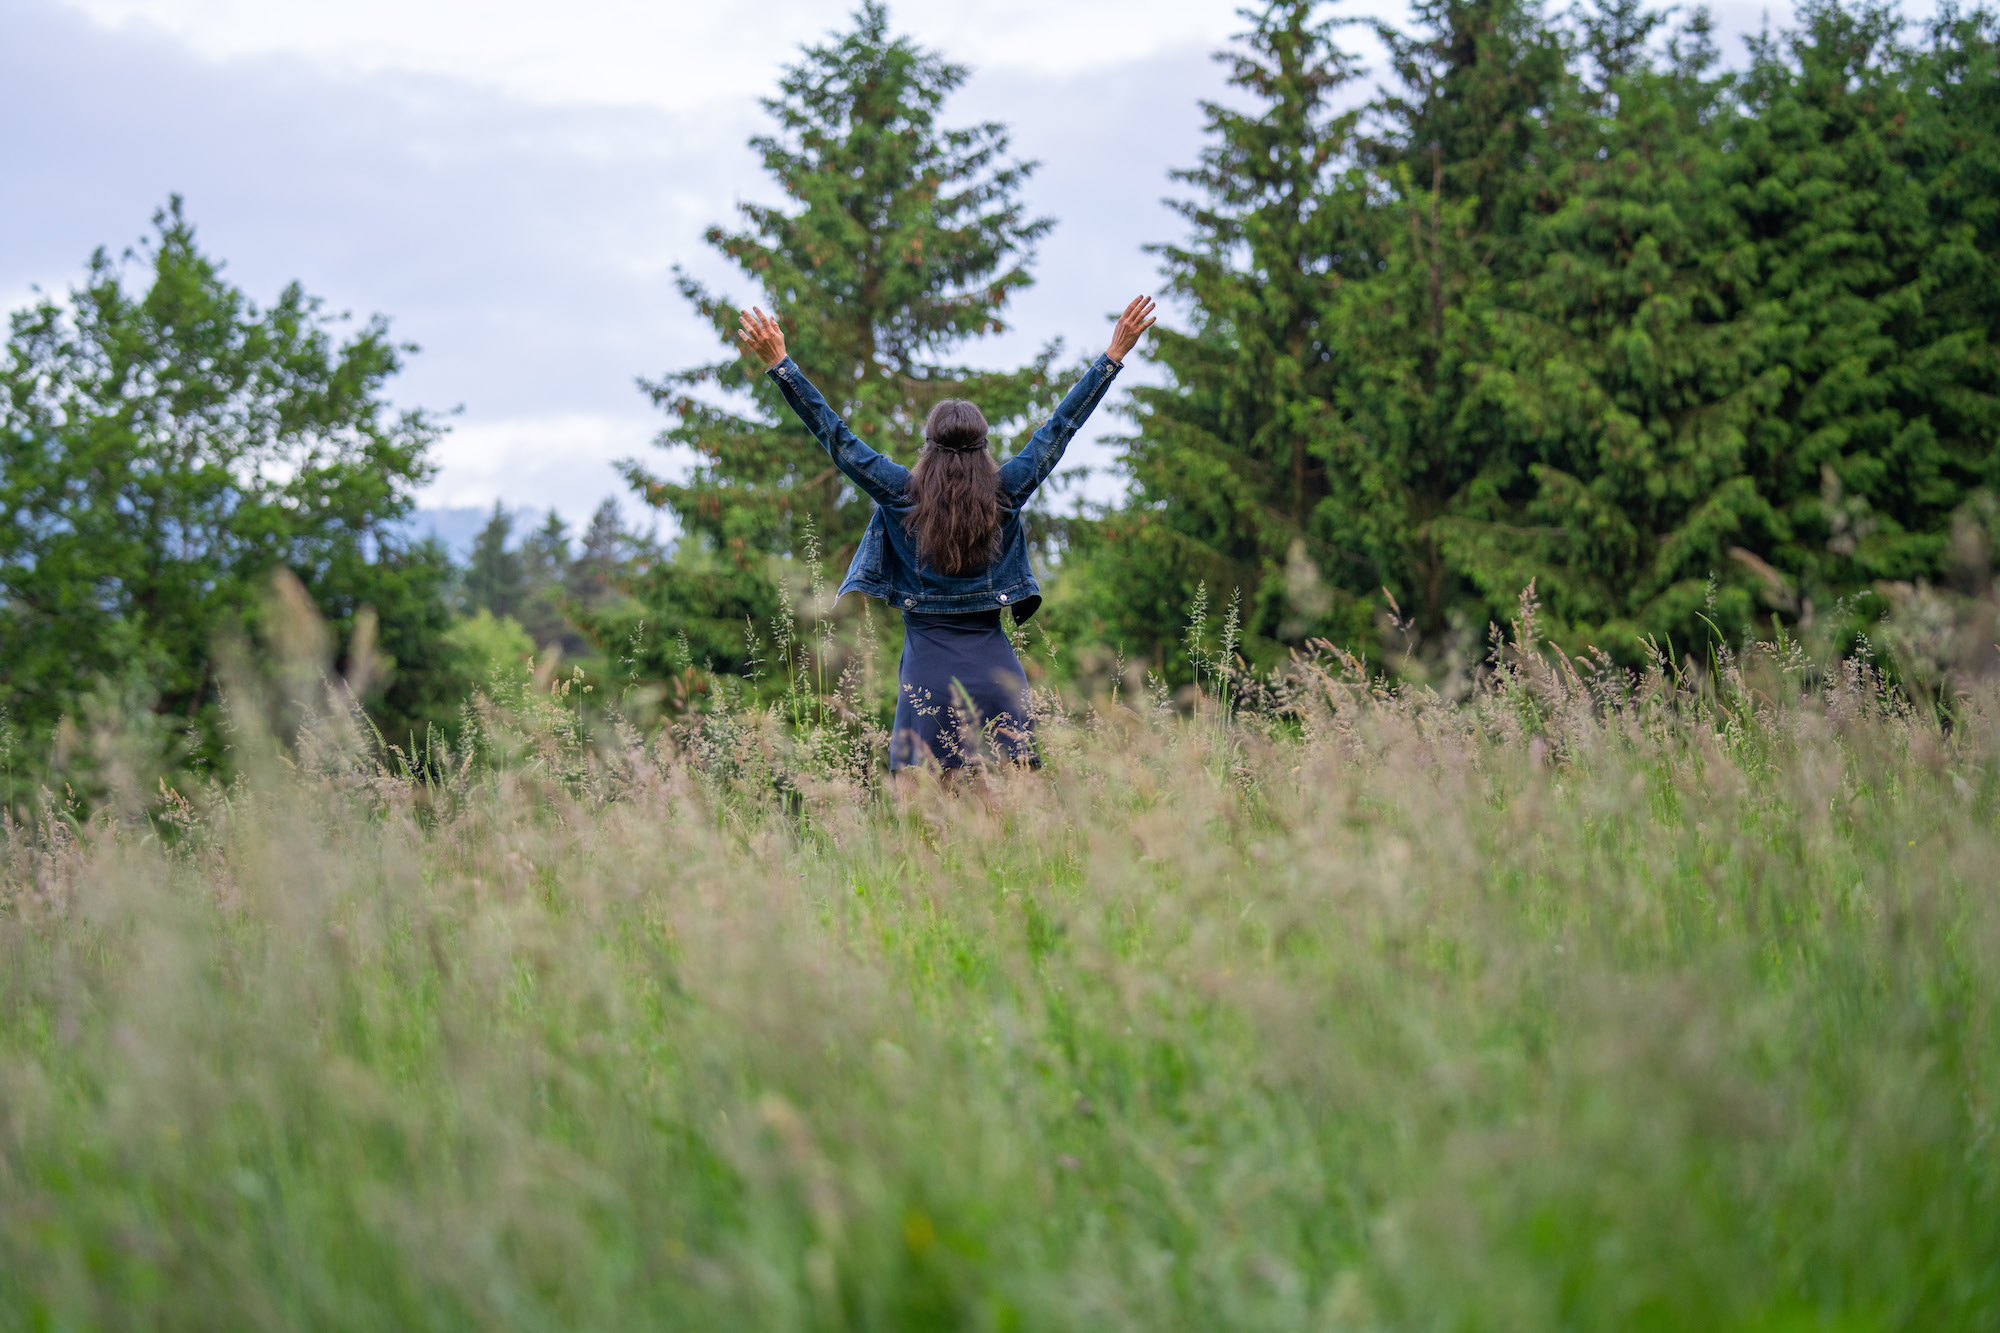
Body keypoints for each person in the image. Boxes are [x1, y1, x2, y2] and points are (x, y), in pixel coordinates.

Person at [736, 296, 1157, 776]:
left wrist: (781, 366)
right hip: (996, 676)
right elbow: (1059, 429)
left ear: (928, 446)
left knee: (923, 825)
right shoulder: (1006, 491)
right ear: (983, 447)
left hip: (927, 676)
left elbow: (837, 438)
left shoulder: (900, 493)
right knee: (1005, 821)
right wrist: (1112, 357)